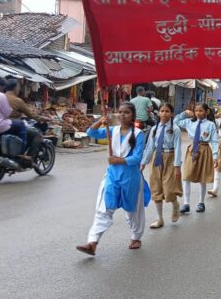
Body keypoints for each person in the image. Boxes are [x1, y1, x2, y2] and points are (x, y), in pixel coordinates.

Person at [76, 102, 149, 255]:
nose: (122, 115)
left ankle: (136, 237)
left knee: (134, 210)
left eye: (126, 112)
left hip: (131, 177)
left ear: (132, 116)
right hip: (112, 175)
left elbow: (137, 158)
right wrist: (100, 121)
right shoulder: (112, 130)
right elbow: (91, 132)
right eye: (120, 112)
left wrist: (119, 160)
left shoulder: (138, 134)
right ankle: (93, 242)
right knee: (104, 207)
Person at [141, 103, 182, 229]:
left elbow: (178, 148)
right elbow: (149, 147)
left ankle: (175, 205)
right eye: (162, 111)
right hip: (156, 159)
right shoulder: (154, 129)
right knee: (156, 188)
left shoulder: (175, 129)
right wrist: (144, 162)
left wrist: (177, 166)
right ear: (158, 113)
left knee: (169, 189)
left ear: (171, 114)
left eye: (167, 111)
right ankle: (160, 219)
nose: (164, 113)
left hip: (170, 158)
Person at [175, 104, 218, 213]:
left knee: (202, 178)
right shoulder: (189, 122)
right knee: (186, 176)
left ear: (206, 111)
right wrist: (184, 113)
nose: (198, 113)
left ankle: (201, 203)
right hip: (192, 150)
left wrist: (215, 156)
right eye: (196, 110)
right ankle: (186, 203)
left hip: (204, 150)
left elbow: (214, 141)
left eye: (201, 110)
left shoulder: (211, 124)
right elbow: (175, 122)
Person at [4, 78, 44, 158]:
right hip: (13, 125)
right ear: (15, 88)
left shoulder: (0, 97)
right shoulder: (17, 100)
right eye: (18, 86)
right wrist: (41, 118)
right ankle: (28, 156)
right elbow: (30, 114)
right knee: (37, 134)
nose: (19, 89)